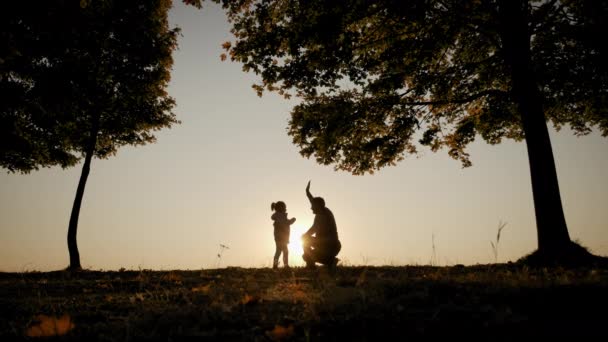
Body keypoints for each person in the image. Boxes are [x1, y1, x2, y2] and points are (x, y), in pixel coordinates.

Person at [301, 181, 341, 269]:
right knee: (305, 256)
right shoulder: (323, 210)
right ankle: (331, 261)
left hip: (329, 245)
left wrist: (304, 236)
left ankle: (311, 265)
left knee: (304, 240)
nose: (311, 208)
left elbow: (313, 229)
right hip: (331, 245)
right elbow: (313, 201)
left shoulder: (322, 216)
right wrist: (307, 192)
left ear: (318, 206)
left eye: (313, 206)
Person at [271, 201, 296, 269]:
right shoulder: (279, 215)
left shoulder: (281, 216)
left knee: (280, 251)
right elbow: (285, 223)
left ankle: (278, 265)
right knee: (283, 251)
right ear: (280, 208)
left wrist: (291, 221)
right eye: (284, 207)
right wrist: (291, 221)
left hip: (282, 236)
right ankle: (284, 265)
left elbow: (285, 223)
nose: (285, 208)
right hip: (280, 236)